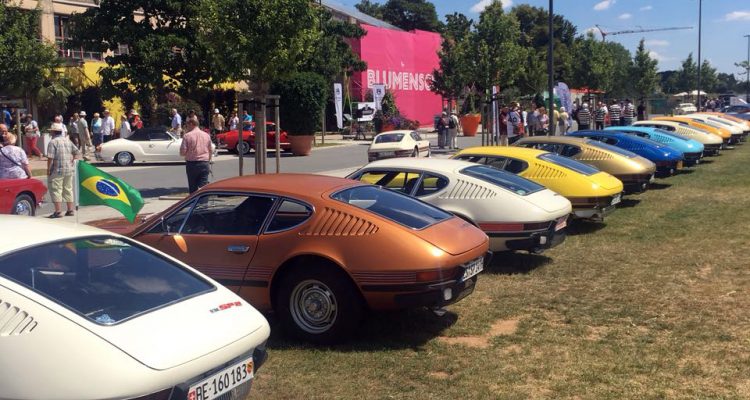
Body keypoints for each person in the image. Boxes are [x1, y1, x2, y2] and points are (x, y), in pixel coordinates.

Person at [46, 122, 80, 218]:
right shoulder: (67, 141)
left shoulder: (53, 142)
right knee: (68, 189)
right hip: (68, 169)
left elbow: (50, 157)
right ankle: (70, 210)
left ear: (53, 132)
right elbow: (77, 151)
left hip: (57, 169)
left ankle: (58, 211)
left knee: (56, 190)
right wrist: (72, 159)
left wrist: (48, 169)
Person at [180, 118, 212, 193]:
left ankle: (194, 200)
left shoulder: (187, 136)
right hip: (204, 163)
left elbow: (182, 152)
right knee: (203, 187)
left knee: (193, 187)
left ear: (191, 124)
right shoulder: (206, 135)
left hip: (192, 164)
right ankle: (204, 200)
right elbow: (210, 150)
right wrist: (208, 161)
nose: (186, 127)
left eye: (187, 125)